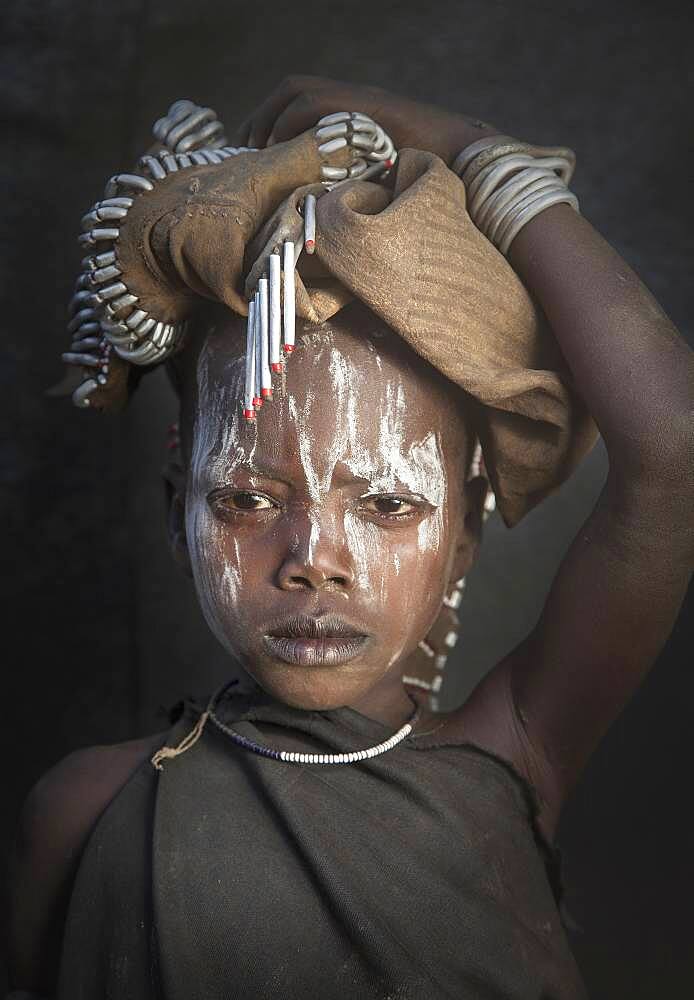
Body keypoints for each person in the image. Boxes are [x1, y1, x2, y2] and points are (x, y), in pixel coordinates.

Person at [7, 77, 693, 999]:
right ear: (179, 512)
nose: (314, 561)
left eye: (388, 505)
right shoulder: (83, 813)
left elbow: (673, 448)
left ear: (462, 536)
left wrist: (469, 146)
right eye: (248, 500)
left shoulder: (515, 755)